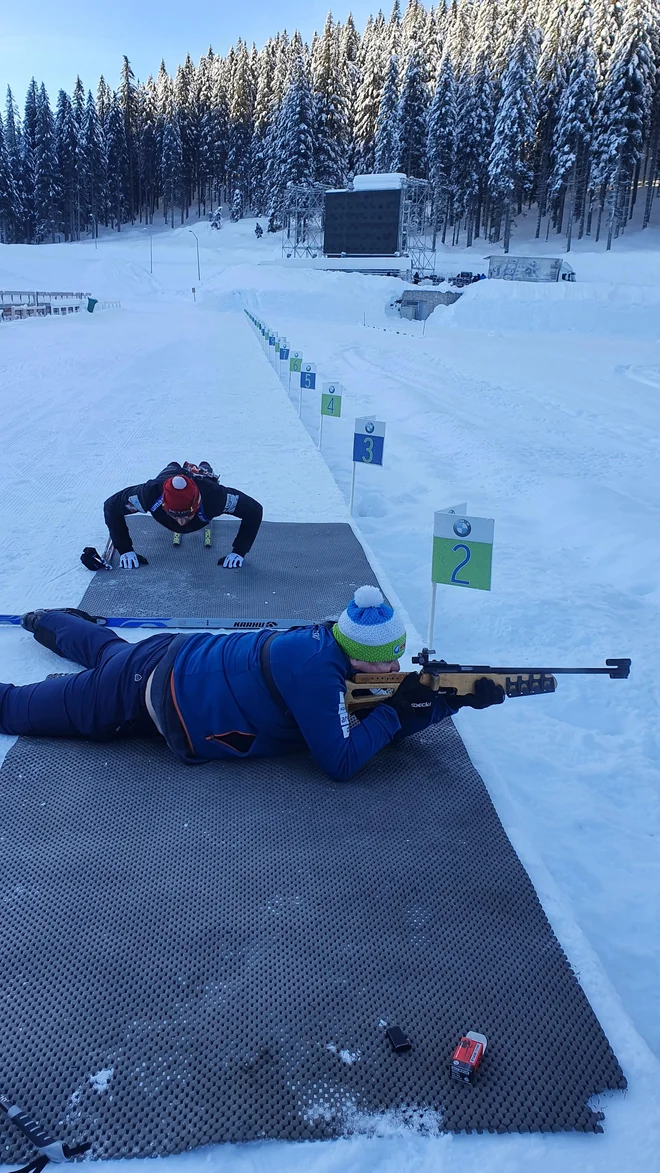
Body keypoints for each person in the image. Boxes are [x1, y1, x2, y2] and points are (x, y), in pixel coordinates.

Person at [0, 587, 504, 783]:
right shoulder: (315, 673)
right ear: (354, 653)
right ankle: (43, 623)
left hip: (163, 654)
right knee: (19, 708)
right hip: (136, 695)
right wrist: (403, 710)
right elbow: (342, 761)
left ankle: (40, 618)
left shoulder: (329, 643)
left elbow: (380, 709)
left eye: (397, 656)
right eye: (383, 662)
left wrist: (447, 700)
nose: (391, 669)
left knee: (107, 647)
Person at [101, 461, 263, 570]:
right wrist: (125, 549)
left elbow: (254, 510)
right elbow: (111, 506)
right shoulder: (148, 494)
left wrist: (239, 551)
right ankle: (175, 466)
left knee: (205, 474)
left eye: (186, 515)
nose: (181, 522)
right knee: (171, 468)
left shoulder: (216, 497)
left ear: (197, 504)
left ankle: (203, 466)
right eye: (175, 515)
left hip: (203, 484)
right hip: (165, 480)